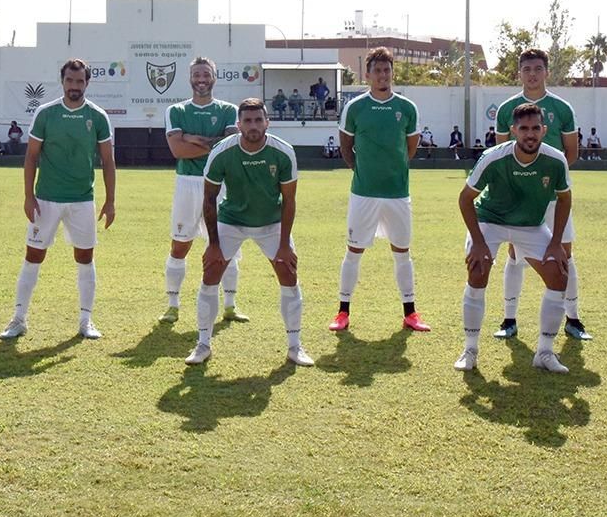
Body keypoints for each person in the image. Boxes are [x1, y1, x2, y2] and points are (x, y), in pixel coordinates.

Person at [184, 98, 312, 367]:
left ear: (267, 122)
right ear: (238, 124)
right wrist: (214, 244)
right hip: (232, 220)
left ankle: (294, 346)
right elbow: (209, 199)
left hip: (271, 222)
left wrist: (285, 244)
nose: (253, 126)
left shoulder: (283, 152)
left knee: (288, 274)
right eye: (247, 121)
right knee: (210, 275)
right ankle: (203, 344)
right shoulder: (222, 152)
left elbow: (289, 200)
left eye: (258, 120)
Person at [0, 59, 115, 341]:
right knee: (33, 256)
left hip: (82, 200)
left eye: (80, 82)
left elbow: (108, 161)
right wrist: (28, 196)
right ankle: (18, 319)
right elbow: (31, 156)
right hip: (46, 199)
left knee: (85, 258)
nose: (74, 87)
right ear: (62, 81)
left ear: (87, 83)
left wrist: (110, 201)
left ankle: (86, 321)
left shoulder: (98, 116)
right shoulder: (46, 113)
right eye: (70, 81)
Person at [454, 103, 573, 374]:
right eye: (523, 129)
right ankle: (470, 348)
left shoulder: (555, 160)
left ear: (543, 130)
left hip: (530, 226)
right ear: (513, 131)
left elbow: (565, 199)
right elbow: (465, 199)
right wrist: (479, 242)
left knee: (559, 274)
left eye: (535, 128)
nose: (529, 134)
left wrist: (556, 243)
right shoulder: (493, 157)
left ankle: (544, 352)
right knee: (478, 268)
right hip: (490, 221)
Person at [329, 47, 429, 334]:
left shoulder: (407, 108)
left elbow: (410, 148)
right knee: (353, 251)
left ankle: (410, 313)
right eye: (377, 71)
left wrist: (392, 169)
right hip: (364, 193)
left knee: (402, 253)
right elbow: (346, 147)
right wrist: (362, 170)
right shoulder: (356, 107)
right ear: (368, 74)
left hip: (398, 192)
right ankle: (342, 312)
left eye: (387, 70)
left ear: (391, 73)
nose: (383, 75)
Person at [492, 49, 588, 341]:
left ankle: (574, 319)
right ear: (519, 73)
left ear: (546, 72)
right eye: (526, 69)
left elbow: (570, 152)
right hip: (518, 197)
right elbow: (500, 154)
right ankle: (509, 319)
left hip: (554, 195)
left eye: (537, 68)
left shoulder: (562, 108)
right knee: (515, 254)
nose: (532, 74)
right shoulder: (507, 109)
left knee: (565, 255)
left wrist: (548, 180)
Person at [159, 57, 243, 324]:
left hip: (221, 183)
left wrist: (191, 139)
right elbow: (177, 151)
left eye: (206, 74)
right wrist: (210, 143)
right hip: (188, 183)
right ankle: (173, 304)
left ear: (215, 77)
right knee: (180, 244)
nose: (201, 78)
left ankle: (230, 304)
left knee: (226, 245)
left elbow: (231, 146)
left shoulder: (230, 110)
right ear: (190, 78)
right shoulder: (177, 111)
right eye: (196, 74)